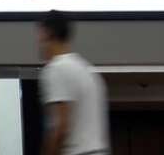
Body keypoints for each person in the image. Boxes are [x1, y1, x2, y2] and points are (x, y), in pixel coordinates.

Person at [38, 10, 110, 155]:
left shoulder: (56, 69)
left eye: (40, 34)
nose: (39, 41)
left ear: (48, 33)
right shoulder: (87, 70)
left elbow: (61, 125)